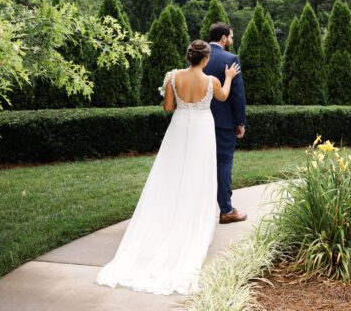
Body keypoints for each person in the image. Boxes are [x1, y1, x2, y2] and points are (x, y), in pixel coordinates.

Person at [95, 40, 241, 295]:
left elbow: (168, 107)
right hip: (201, 130)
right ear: (205, 59)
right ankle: (191, 220)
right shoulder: (211, 82)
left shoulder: (173, 77)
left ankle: (167, 217)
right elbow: (224, 96)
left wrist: (176, 94)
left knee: (171, 174)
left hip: (178, 128)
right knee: (199, 176)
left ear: (189, 57)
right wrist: (228, 76)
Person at [203, 22, 248, 224]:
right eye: (230, 37)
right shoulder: (230, 59)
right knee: (223, 163)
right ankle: (226, 210)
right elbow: (237, 95)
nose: (231, 40)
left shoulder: (197, 59)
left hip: (199, 121)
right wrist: (240, 122)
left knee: (201, 164)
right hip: (223, 122)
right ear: (223, 38)